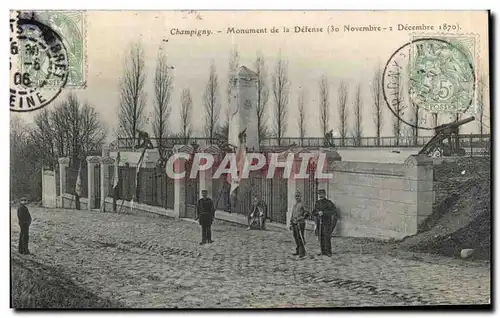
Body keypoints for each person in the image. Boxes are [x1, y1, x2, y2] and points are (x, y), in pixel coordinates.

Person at [312, 189, 338, 257]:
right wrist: (318, 213)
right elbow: (314, 212)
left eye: (322, 194)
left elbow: (333, 211)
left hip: (327, 222)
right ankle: (322, 251)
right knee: (321, 236)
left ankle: (328, 251)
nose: (321, 195)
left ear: (325, 194)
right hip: (319, 222)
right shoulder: (317, 203)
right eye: (319, 194)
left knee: (327, 236)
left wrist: (324, 213)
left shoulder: (329, 203)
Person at [290, 190, 309, 258]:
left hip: (300, 223)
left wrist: (301, 217)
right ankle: (298, 250)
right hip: (294, 223)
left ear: (300, 197)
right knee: (296, 237)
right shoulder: (295, 205)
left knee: (300, 237)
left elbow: (307, 213)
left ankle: (302, 252)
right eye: (296, 196)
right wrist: (290, 223)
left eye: (298, 196)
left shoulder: (302, 204)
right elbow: (292, 214)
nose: (297, 197)